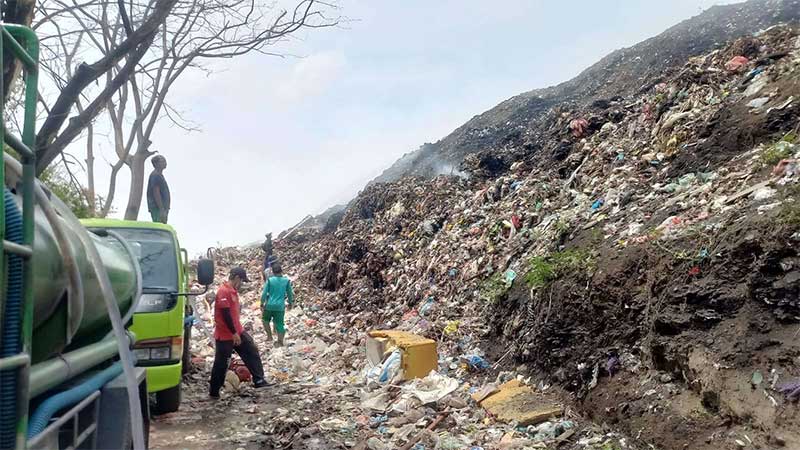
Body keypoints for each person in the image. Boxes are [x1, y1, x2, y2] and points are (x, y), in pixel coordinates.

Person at [209, 267, 268, 398]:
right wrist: (234, 333)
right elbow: (225, 315)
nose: (241, 284)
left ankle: (259, 380)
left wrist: (238, 332)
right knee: (221, 363)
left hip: (237, 331)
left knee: (251, 350)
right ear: (236, 278)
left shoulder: (233, 291)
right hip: (225, 334)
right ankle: (214, 392)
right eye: (241, 280)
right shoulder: (223, 292)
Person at [260, 261, 295, 347]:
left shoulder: (270, 281)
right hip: (280, 307)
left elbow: (264, 293)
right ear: (281, 271)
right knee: (279, 324)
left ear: (273, 272)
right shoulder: (286, 281)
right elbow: (290, 294)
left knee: (265, 320)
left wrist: (261, 303)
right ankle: (280, 341)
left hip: (269, 305)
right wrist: (291, 303)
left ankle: (269, 336)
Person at [146, 155, 170, 223]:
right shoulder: (155, 175)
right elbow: (156, 192)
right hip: (157, 208)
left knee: (163, 225)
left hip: (162, 208)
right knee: (160, 226)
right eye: (162, 161)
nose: (165, 163)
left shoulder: (159, 175)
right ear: (156, 164)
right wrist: (161, 209)